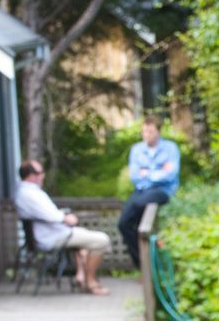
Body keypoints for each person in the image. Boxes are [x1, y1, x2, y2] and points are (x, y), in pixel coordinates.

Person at [13, 159, 110, 294]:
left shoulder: (25, 192)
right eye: (40, 172)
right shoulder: (30, 194)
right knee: (102, 240)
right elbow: (50, 214)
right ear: (30, 175)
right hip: (52, 237)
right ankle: (91, 282)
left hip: (52, 234)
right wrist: (65, 218)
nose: (43, 175)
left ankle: (80, 276)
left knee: (84, 243)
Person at [119, 115, 181, 268]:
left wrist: (146, 172)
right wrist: (159, 171)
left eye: (150, 131)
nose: (147, 135)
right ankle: (141, 262)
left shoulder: (170, 148)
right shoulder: (137, 149)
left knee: (140, 204)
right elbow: (135, 176)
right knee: (123, 223)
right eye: (144, 131)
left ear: (158, 131)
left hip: (162, 191)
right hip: (140, 190)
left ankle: (151, 259)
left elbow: (171, 175)